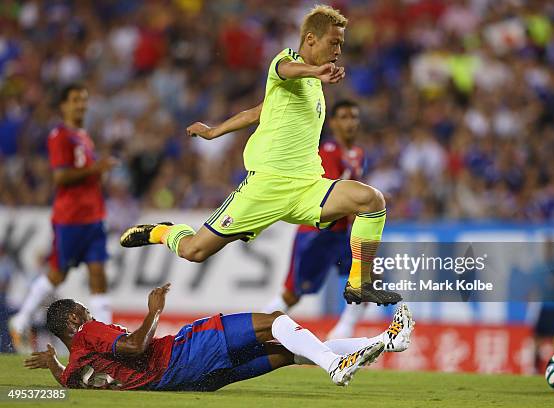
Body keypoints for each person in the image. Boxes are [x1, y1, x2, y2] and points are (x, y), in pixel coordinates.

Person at [119, 5, 401, 305]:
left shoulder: (314, 85)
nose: (339, 49)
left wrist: (216, 131)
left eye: (341, 43)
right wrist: (315, 70)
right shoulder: (287, 61)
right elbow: (285, 70)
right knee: (194, 251)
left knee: (371, 200)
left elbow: (258, 111)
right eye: (334, 42)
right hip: (265, 186)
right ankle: (163, 232)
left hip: (307, 186)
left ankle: (359, 282)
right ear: (310, 39)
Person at [24, 283, 415, 390]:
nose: (90, 315)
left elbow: (69, 381)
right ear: (75, 320)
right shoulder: (90, 332)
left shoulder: (75, 365)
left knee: (288, 352)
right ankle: (335, 365)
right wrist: (154, 308)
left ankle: (386, 341)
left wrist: (53, 364)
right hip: (179, 356)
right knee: (276, 321)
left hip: (187, 382)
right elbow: (135, 346)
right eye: (84, 312)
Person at [10, 83, 117, 352]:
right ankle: (21, 319)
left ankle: (107, 340)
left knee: (98, 274)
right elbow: (60, 176)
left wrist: (99, 174)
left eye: (84, 99)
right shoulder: (60, 136)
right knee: (58, 274)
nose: (81, 105)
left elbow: (85, 174)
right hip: (70, 219)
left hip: (93, 216)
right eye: (76, 100)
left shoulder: (83, 135)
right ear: (63, 105)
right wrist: (95, 169)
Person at [263, 99, 368, 338]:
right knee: (291, 295)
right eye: (343, 117)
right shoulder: (328, 151)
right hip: (317, 232)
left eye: (354, 116)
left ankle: (339, 339)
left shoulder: (359, 154)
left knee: (367, 278)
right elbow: (332, 194)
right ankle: (250, 334)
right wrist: (364, 206)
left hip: (340, 234)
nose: (350, 122)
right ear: (332, 122)